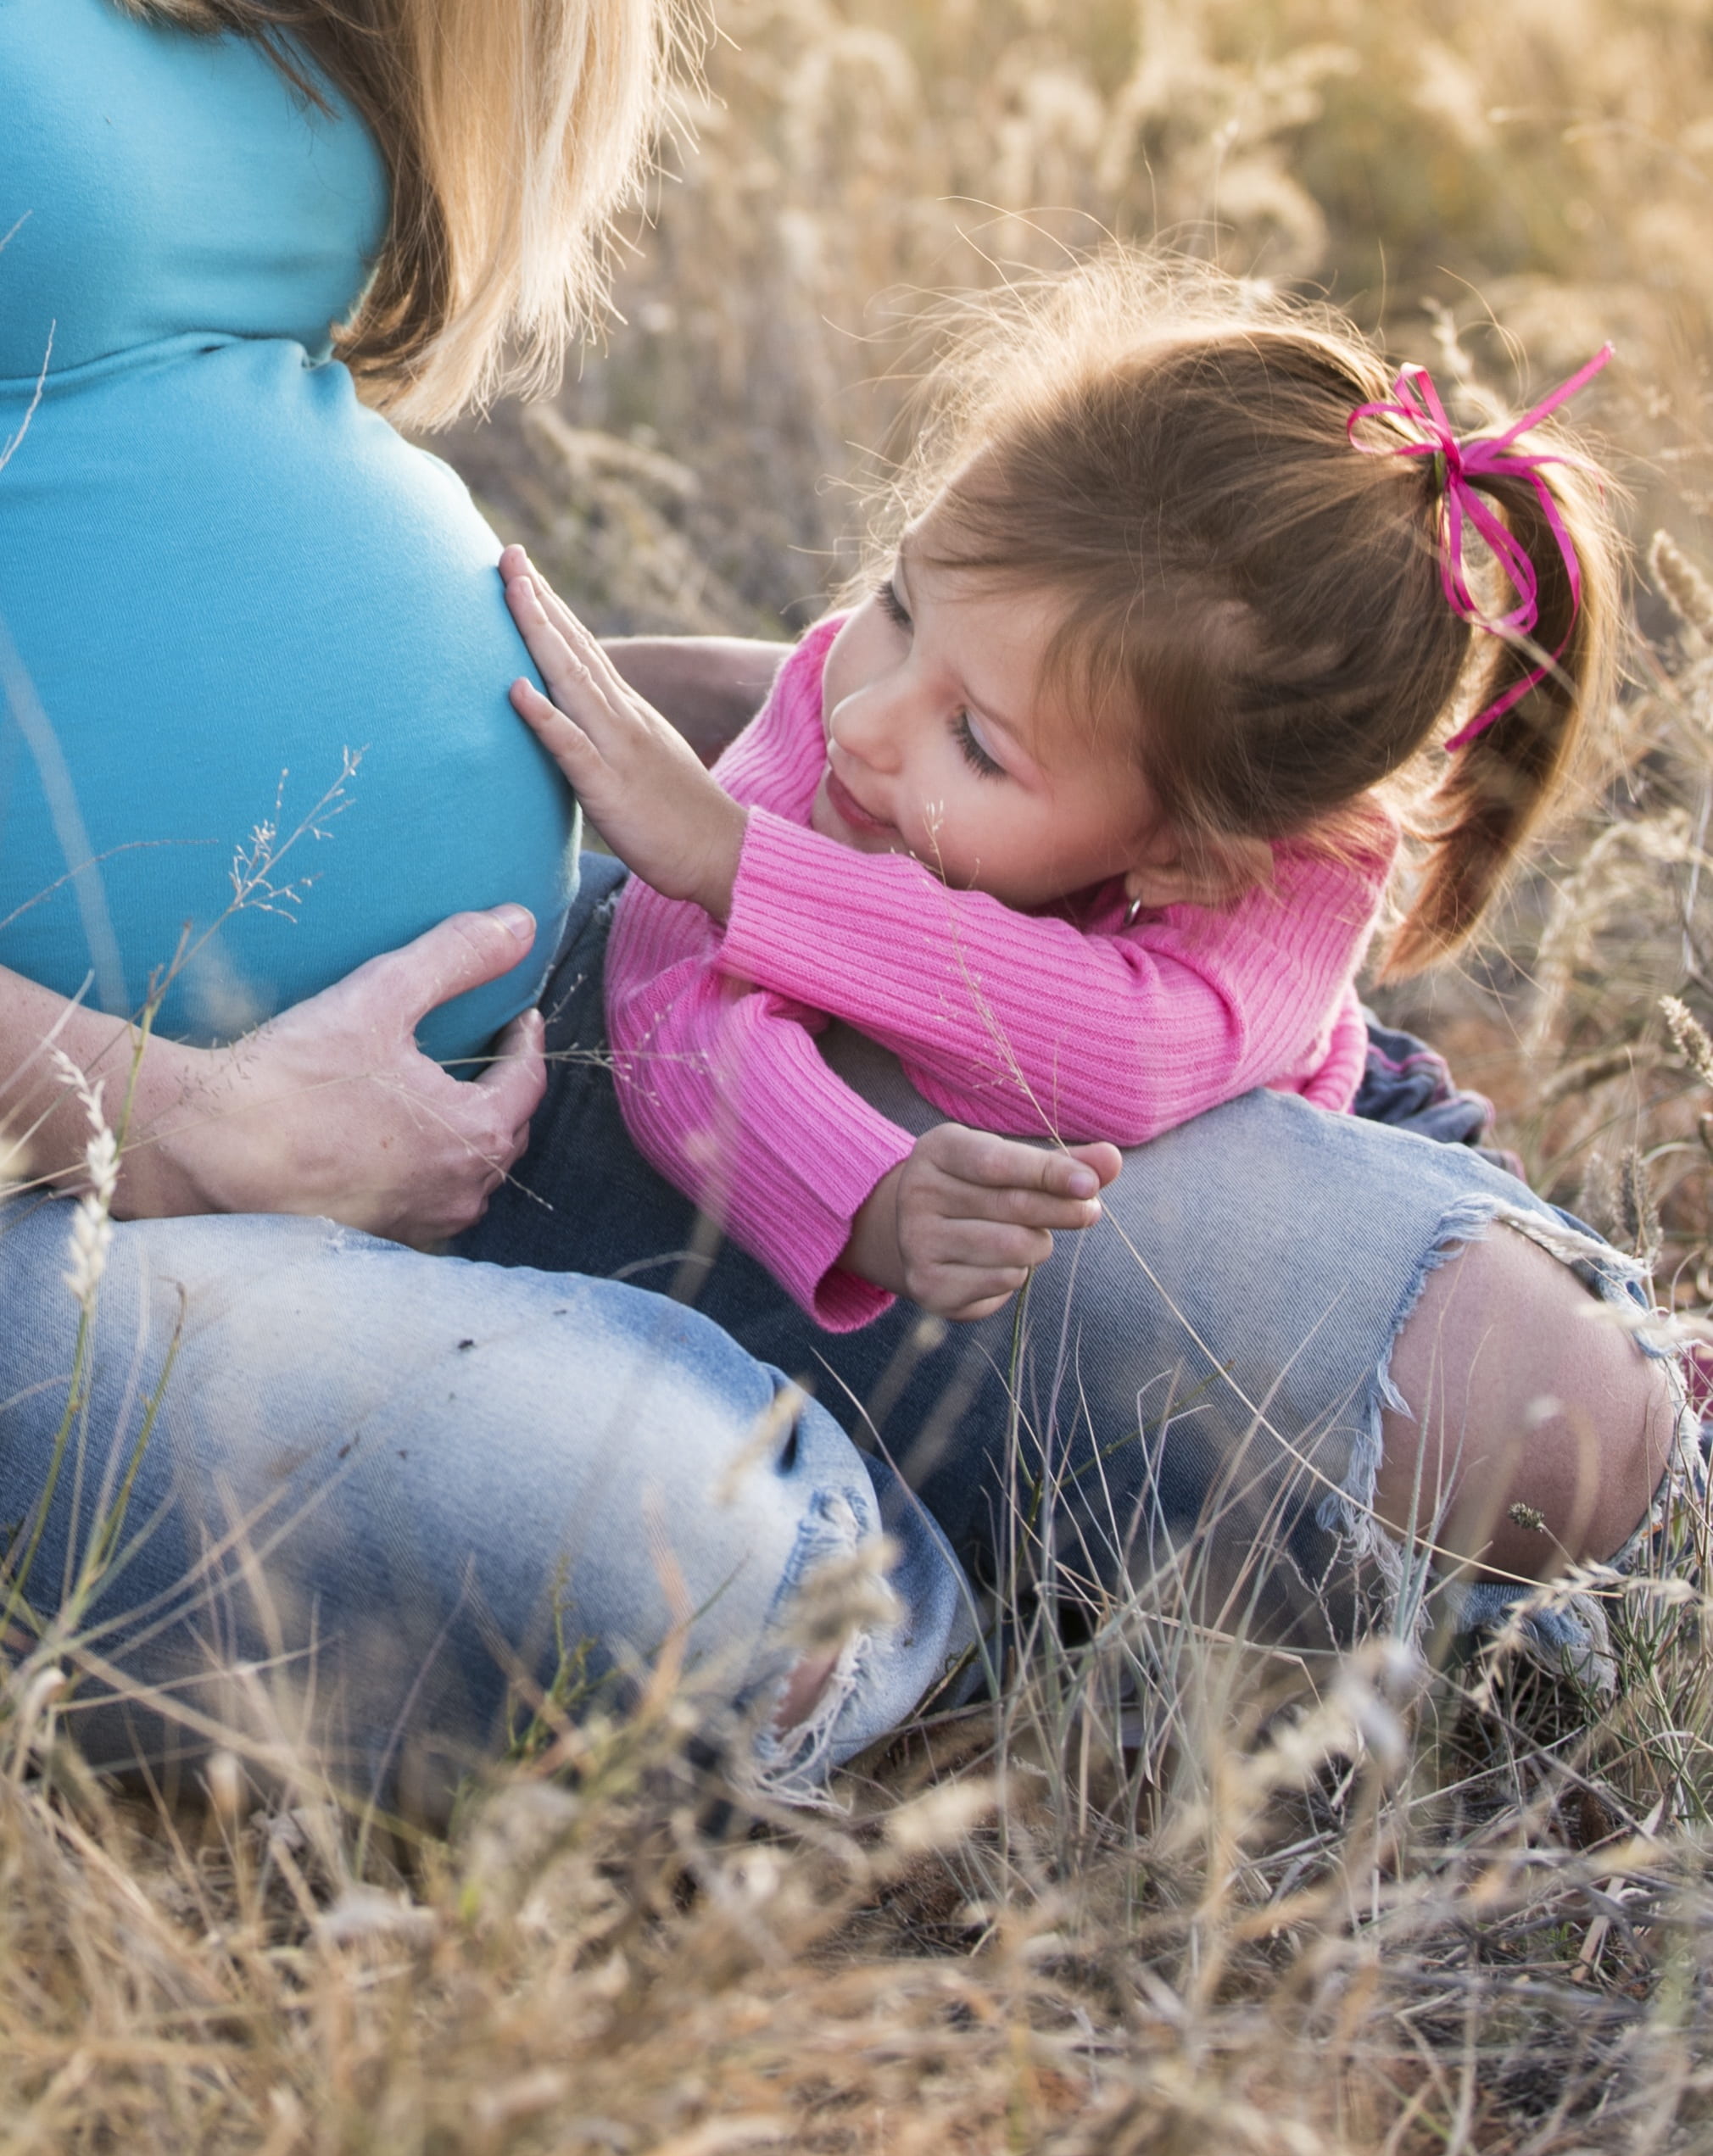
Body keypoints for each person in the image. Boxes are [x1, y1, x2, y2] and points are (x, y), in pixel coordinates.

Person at [0, 3, 1684, 1804]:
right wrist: (167, 1116)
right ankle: (966, 1615)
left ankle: (1003, 1518)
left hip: (541, 1003)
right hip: (67, 1169)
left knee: (1527, 1408)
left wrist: (656, 761)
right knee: (736, 1590)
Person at [496, 261, 1616, 1343]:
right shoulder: (851, 711)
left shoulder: (1293, 876)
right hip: (1092, 1227)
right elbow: (664, 1001)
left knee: (1585, 1381)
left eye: (976, 742)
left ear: (1190, 858)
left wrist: (741, 866)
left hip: (1353, 1128)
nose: (865, 720)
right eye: (897, 604)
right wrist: (861, 1189)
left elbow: (1124, 1053)